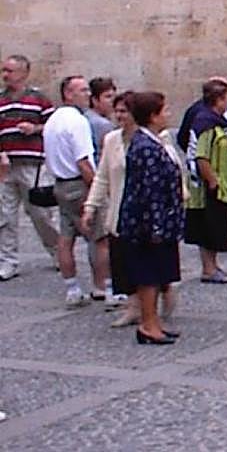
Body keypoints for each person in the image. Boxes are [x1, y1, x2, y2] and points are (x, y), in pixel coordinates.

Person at [118, 92, 185, 345]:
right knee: (149, 275)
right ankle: (148, 324)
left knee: (158, 274)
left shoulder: (152, 142)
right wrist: (156, 226)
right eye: (164, 110)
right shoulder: (145, 147)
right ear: (153, 116)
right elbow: (150, 190)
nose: (168, 114)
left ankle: (154, 320)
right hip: (148, 225)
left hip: (159, 221)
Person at [43, 76, 103, 307]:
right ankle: (102, 286)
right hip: (78, 184)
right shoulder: (77, 122)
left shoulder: (53, 120)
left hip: (60, 183)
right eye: (83, 90)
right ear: (68, 94)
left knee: (66, 238)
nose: (88, 94)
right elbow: (84, 162)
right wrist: (97, 189)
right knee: (98, 238)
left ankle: (72, 288)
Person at [0, 55, 59, 280]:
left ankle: (56, 251)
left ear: (24, 73)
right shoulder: (0, 100)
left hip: (32, 164)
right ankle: (8, 261)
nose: (6, 75)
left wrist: (34, 128)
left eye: (10, 71)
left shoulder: (38, 99)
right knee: (5, 215)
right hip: (6, 165)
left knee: (40, 213)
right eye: (4, 71)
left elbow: (53, 126)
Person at [83, 92, 138, 325]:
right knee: (123, 261)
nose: (119, 116)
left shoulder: (152, 138)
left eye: (124, 111)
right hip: (118, 211)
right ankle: (132, 307)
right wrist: (91, 206)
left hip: (143, 212)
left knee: (146, 263)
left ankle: (152, 305)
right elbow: (103, 177)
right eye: (117, 111)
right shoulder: (111, 139)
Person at [184, 78, 227, 284]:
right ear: (218, 100)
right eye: (226, 99)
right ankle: (208, 268)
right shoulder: (205, 123)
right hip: (211, 184)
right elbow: (201, 155)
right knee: (209, 226)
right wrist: (213, 181)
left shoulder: (216, 120)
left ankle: (214, 265)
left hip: (224, 180)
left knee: (218, 225)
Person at [84, 77, 117, 162]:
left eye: (114, 96)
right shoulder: (103, 124)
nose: (113, 101)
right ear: (95, 100)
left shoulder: (86, 116)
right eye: (108, 97)